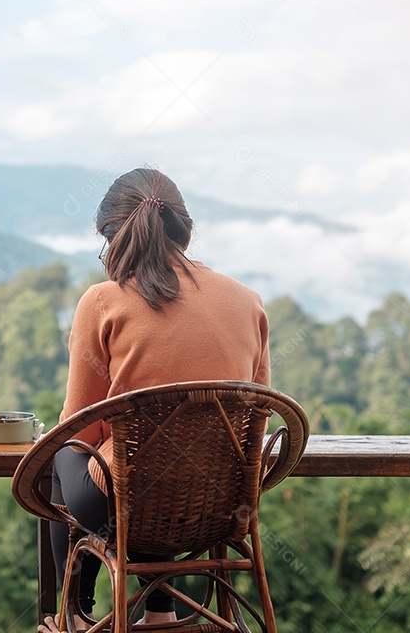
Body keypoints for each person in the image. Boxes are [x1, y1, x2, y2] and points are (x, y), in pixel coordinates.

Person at [40, 168, 270, 632]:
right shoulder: (248, 300)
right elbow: (257, 417)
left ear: (111, 238)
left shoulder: (103, 301)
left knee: (61, 453)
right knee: (165, 456)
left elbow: (80, 429)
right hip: (224, 505)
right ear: (182, 228)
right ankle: (161, 613)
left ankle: (70, 618)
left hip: (124, 508)